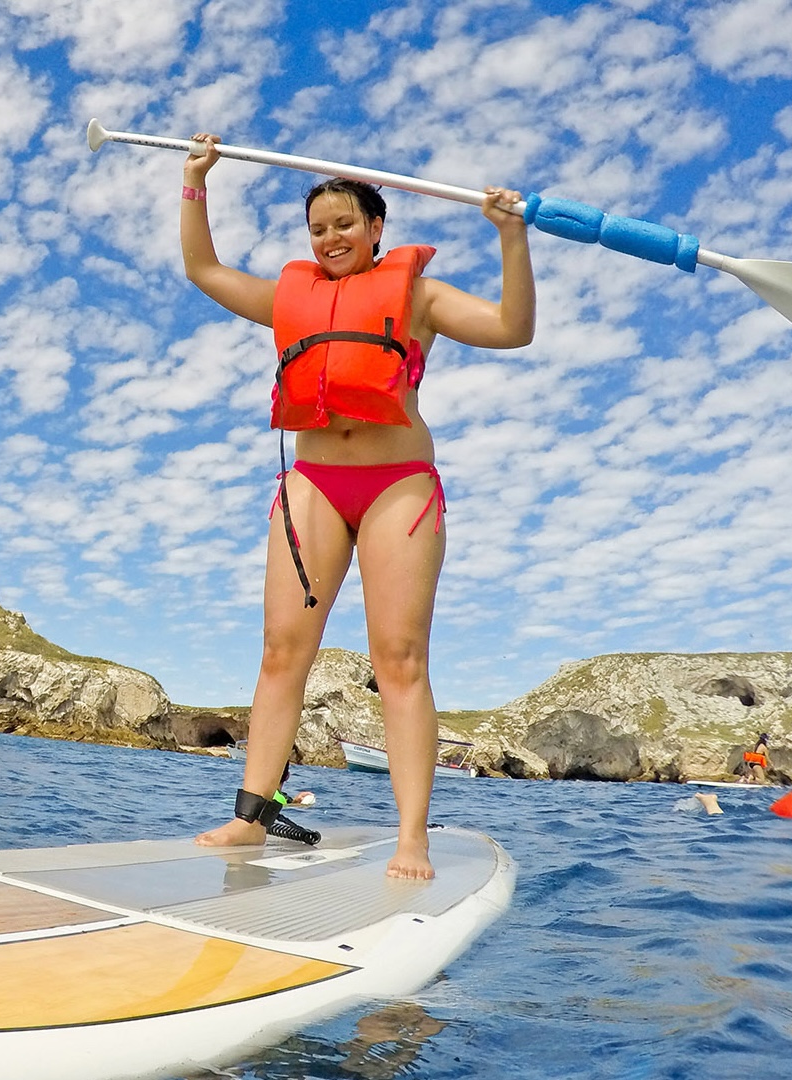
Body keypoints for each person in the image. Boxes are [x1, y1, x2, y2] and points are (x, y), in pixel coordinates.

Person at [180, 134, 534, 879]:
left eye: (344, 223)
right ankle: (252, 817)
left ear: (376, 229)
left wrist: (510, 236)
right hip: (310, 483)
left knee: (398, 660)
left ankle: (412, 837)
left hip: (397, 483)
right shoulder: (289, 297)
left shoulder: (419, 297)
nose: (330, 237)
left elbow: (512, 329)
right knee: (281, 653)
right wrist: (196, 183)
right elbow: (203, 269)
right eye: (317, 228)